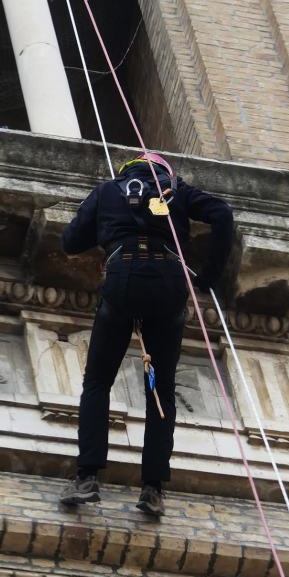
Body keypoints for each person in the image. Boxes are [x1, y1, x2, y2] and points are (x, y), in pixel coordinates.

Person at [59, 152, 234, 516]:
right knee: (160, 390)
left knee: (97, 383)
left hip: (122, 278)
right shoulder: (177, 192)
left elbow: (71, 242)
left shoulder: (107, 191)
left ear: (128, 170)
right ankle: (152, 488)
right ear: (164, 173)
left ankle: (87, 476)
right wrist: (207, 277)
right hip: (167, 282)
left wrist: (106, 224)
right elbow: (222, 214)